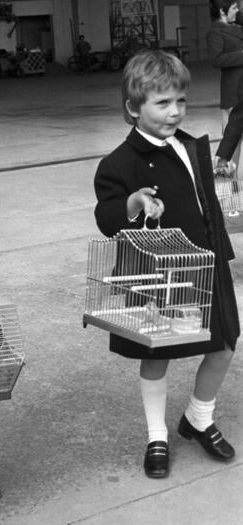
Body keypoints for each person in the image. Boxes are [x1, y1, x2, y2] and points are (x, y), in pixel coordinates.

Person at [94, 50, 240, 479]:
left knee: (224, 345)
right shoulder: (118, 163)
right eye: (162, 103)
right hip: (158, 272)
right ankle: (156, 435)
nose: (174, 111)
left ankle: (199, 417)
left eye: (180, 101)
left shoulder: (193, 145)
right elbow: (106, 218)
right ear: (133, 109)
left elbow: (204, 202)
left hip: (207, 262)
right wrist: (133, 203)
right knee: (158, 355)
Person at [206, 0, 243, 176]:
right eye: (234, 7)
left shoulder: (236, 26)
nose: (238, 10)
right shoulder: (215, 32)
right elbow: (216, 59)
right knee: (233, 136)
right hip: (233, 91)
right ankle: (232, 183)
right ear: (222, 10)